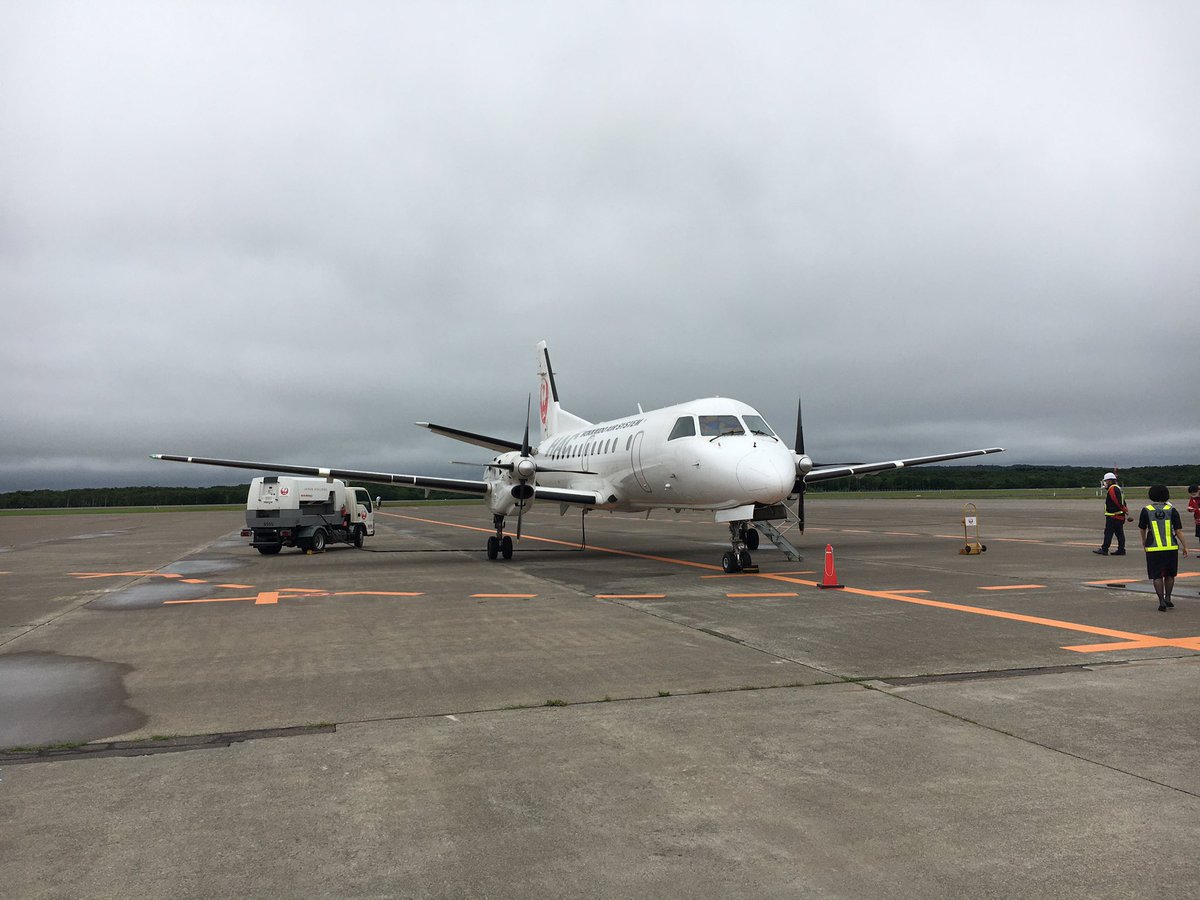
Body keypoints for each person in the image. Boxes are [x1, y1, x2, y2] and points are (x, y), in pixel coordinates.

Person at [1138, 485, 1189, 611]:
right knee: (1170, 574)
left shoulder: (1146, 510)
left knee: (1157, 576)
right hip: (1170, 547)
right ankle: (1168, 597)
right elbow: (1178, 530)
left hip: (1153, 548)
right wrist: (1185, 546)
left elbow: (1142, 528)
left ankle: (1161, 601)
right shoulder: (1172, 510)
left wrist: (1144, 541)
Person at [1093, 472, 1130, 555]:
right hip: (1119, 515)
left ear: (1110, 481)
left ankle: (1104, 549)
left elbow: (1116, 500)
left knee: (1108, 533)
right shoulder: (1117, 488)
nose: (1105, 483)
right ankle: (1121, 549)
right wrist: (1124, 510)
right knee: (1119, 534)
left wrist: (1123, 509)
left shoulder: (1112, 489)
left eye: (1106, 481)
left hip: (1113, 516)